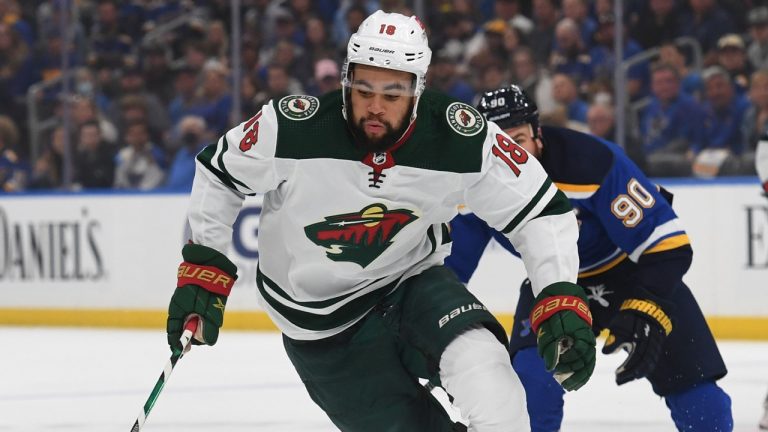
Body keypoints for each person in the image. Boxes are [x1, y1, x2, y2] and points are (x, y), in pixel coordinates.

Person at [164, 11, 596, 432]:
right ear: (347, 80)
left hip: (411, 283)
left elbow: (540, 210)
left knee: (496, 392)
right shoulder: (294, 126)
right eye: (363, 91)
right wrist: (205, 267)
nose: (374, 108)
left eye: (391, 96)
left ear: (417, 91)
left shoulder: (459, 138)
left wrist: (558, 293)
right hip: (321, 330)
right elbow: (220, 171)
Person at [445, 85, 733, 431]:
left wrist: (647, 304)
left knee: (697, 394)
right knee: (529, 391)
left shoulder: (591, 163)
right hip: (553, 280)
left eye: (518, 141)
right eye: (497, 147)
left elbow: (669, 248)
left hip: (633, 274)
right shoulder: (473, 183)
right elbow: (449, 268)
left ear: (538, 134)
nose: (510, 159)